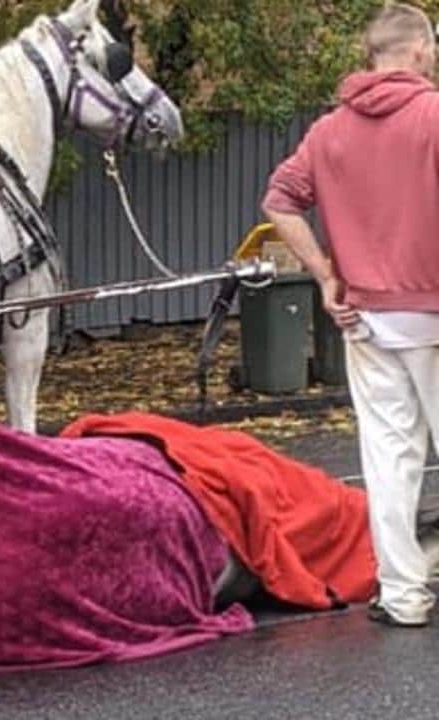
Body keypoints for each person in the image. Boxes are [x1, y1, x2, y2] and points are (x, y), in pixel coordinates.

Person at [264, 2, 439, 627]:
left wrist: (325, 273)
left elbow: (279, 200)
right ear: (418, 50)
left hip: (365, 317)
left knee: (389, 457)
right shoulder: (434, 116)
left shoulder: (328, 131)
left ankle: (403, 595)